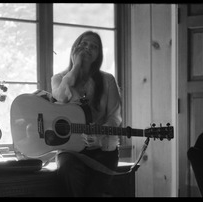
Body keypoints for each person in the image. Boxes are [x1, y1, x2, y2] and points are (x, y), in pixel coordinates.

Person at [51, 30, 122, 197]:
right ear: (75, 49)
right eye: (83, 44)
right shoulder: (58, 78)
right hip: (71, 150)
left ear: (98, 55)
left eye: (93, 47)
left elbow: (115, 116)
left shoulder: (108, 80)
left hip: (103, 148)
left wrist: (99, 136)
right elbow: (61, 96)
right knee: (68, 168)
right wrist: (76, 66)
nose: (87, 49)